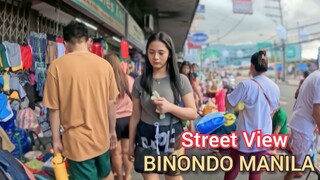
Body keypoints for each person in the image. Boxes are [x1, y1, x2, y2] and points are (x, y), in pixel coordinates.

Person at [43, 21, 119, 180]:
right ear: (89, 41)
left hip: (77, 144)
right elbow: (111, 103)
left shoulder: (56, 67)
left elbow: (54, 108)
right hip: (102, 138)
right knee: (106, 175)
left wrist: (56, 139)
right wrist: (112, 131)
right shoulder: (105, 66)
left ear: (65, 44)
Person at [128, 32, 197, 180]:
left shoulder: (181, 80)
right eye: (151, 52)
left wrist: (170, 107)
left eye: (161, 53)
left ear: (170, 54)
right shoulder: (139, 82)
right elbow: (135, 116)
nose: (156, 57)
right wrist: (130, 144)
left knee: (173, 177)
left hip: (172, 137)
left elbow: (193, 113)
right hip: (146, 138)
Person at [224, 50, 280, 180]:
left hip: (244, 136)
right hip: (263, 136)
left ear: (252, 65)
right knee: (256, 173)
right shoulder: (275, 87)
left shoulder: (245, 85)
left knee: (233, 169)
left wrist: (240, 105)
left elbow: (228, 104)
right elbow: (273, 110)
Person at [285, 70, 320, 180]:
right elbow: (316, 111)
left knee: (300, 160)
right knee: (297, 163)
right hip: (303, 125)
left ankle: (297, 170)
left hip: (304, 124)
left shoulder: (315, 75)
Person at [105, 53, 134, 180]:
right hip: (129, 120)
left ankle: (120, 178)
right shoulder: (130, 79)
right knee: (127, 151)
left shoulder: (106, 80)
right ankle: (127, 176)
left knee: (115, 153)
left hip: (114, 121)